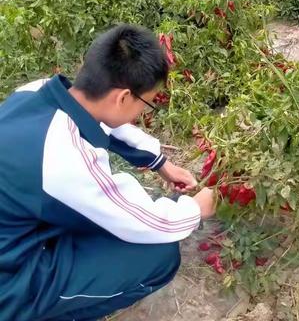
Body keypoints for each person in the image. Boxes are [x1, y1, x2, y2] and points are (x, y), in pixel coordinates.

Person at [0, 24, 216, 321]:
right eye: (147, 103)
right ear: (123, 97)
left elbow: (102, 123)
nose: (144, 112)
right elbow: (145, 223)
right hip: (10, 281)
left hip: (17, 231)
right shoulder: (64, 162)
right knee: (159, 256)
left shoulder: (34, 92)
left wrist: (160, 163)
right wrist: (195, 208)